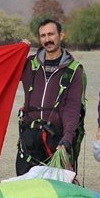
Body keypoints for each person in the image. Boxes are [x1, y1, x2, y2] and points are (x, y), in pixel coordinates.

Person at [16, 19, 86, 177]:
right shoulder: (29, 64)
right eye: (43, 36)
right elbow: (3, 68)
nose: (47, 39)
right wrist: (17, 50)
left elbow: (72, 108)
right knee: (25, 188)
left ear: (61, 35)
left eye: (51, 34)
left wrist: (67, 139)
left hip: (56, 139)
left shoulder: (73, 70)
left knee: (55, 188)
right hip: (29, 139)